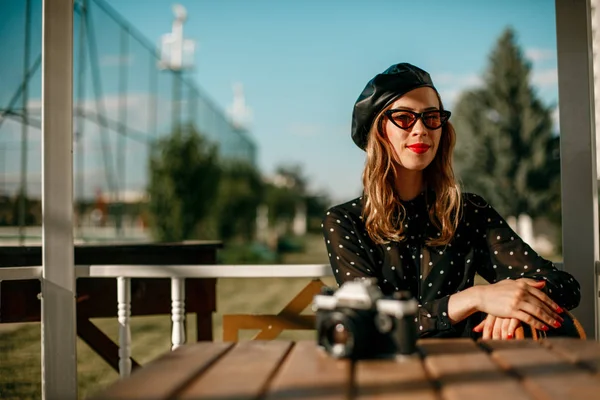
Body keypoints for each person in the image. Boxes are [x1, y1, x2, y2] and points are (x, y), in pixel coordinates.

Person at [322, 62, 580, 340]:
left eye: (431, 117)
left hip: (470, 370)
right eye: (404, 118)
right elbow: (372, 322)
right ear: (378, 131)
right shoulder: (345, 221)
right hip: (389, 376)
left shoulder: (469, 212)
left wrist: (511, 303)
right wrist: (476, 297)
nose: (421, 129)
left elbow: (565, 286)